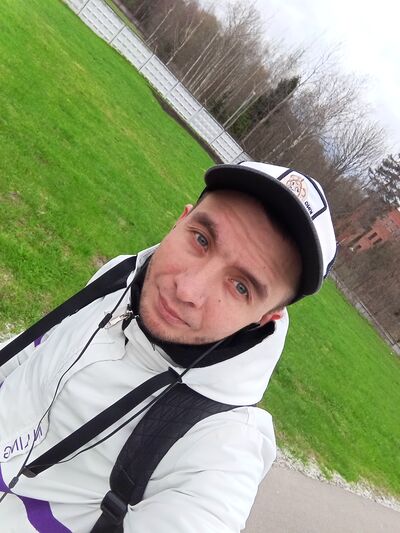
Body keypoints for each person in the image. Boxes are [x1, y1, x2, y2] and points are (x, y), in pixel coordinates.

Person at [0, 161, 336, 532]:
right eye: (202, 240)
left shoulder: (221, 444)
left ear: (266, 317)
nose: (187, 290)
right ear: (181, 220)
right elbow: (33, 352)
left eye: (241, 287)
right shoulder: (119, 281)